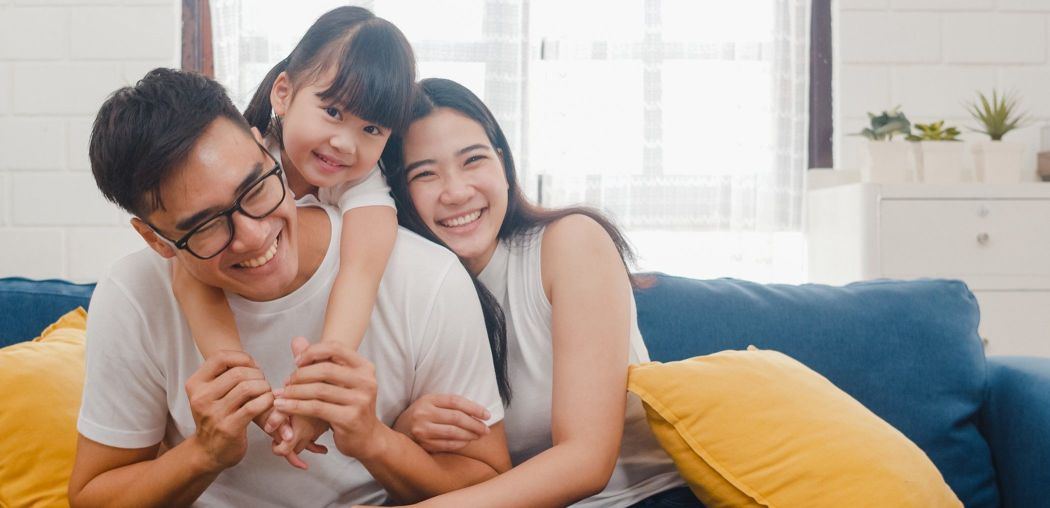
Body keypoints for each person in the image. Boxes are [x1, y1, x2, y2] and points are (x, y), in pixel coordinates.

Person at [68, 68, 510, 507]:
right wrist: (202, 455)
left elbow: (490, 478)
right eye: (205, 226)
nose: (255, 236)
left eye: (256, 188)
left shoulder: (425, 276)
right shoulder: (133, 295)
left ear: (267, 150)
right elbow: (91, 496)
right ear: (156, 240)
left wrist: (374, 440)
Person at [379, 78, 698, 507]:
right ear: (399, 195)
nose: (456, 192)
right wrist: (403, 433)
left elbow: (587, 462)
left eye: (473, 161)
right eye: (425, 173)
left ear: (504, 166)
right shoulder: (410, 295)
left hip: (645, 498)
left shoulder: (569, 243)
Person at [170, 6, 439, 467]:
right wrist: (246, 397)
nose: (344, 143)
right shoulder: (245, 155)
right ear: (283, 93)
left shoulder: (364, 184)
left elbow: (360, 273)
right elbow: (190, 272)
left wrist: (320, 390)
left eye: (371, 129)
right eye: (332, 111)